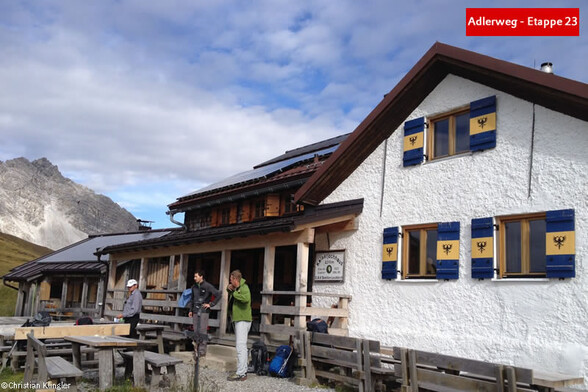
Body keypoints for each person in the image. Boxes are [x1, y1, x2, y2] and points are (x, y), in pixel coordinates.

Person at [187, 270, 221, 357]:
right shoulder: (194, 287)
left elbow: (218, 294)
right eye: (194, 277)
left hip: (204, 311)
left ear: (201, 276)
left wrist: (211, 304)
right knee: (195, 330)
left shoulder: (207, 286)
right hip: (195, 310)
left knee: (202, 330)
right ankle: (196, 349)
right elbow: (192, 299)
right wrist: (190, 310)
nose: (194, 278)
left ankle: (202, 351)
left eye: (196, 276)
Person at [226, 270, 252, 381]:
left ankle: (241, 373)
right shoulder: (237, 288)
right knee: (242, 346)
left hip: (243, 319)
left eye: (231, 279)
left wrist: (234, 292)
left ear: (235, 279)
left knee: (240, 346)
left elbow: (246, 299)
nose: (230, 281)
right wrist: (230, 290)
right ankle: (243, 371)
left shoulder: (244, 287)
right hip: (239, 319)